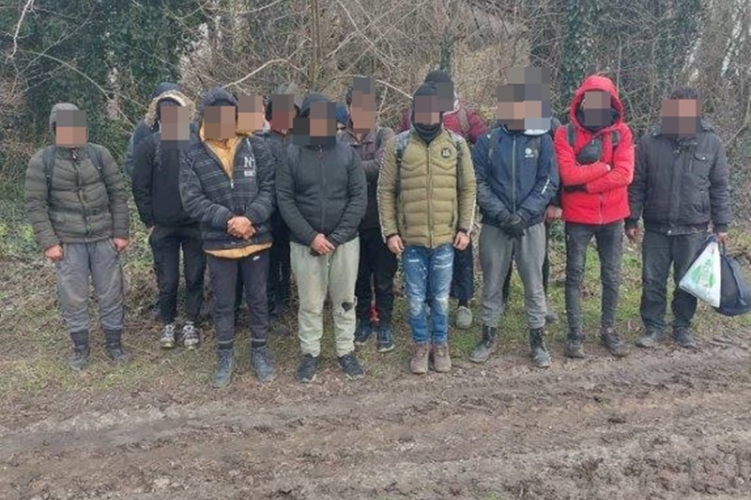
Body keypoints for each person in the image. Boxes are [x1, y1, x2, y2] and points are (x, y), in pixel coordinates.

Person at [180, 87, 277, 388]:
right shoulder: (192, 152)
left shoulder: (256, 145)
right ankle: (225, 355)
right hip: (219, 242)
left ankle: (259, 352)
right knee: (223, 303)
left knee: (258, 299)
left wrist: (250, 218)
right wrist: (227, 220)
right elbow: (192, 199)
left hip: (256, 237)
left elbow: (270, 188)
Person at [379, 82, 477, 374]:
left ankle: (440, 344)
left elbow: (468, 188)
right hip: (411, 240)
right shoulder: (398, 146)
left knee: (441, 298)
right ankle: (421, 345)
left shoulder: (456, 144)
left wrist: (464, 228)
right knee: (415, 299)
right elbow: (385, 190)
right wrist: (390, 232)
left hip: (446, 238)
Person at [25, 103, 130, 370]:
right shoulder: (42, 161)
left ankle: (114, 344)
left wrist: (120, 232)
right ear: (55, 129)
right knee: (73, 297)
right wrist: (49, 242)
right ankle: (80, 347)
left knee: (111, 293)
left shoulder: (100, 154)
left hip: (104, 238)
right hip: (68, 242)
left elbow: (118, 194)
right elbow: (36, 206)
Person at [627, 86, 731, 349]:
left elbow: (719, 186)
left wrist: (721, 224)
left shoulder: (712, 142)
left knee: (687, 281)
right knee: (653, 280)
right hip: (656, 226)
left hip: (693, 226)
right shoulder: (649, 142)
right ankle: (653, 326)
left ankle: (682, 326)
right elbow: (637, 184)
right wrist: (631, 219)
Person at [276, 93, 368, 383]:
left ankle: (346, 350)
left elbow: (359, 197)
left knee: (345, 300)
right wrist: (311, 236)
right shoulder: (291, 153)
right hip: (305, 243)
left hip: (345, 242)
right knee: (310, 302)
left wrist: (338, 237)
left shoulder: (347, 153)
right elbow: (285, 200)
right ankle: (310, 353)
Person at [469, 84, 559, 368]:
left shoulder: (542, 140)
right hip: (495, 225)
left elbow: (548, 181)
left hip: (531, 225)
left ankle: (538, 341)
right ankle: (488, 337)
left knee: (534, 284)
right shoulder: (487, 141)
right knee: (492, 284)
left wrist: (523, 214)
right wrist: (502, 214)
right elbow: (478, 182)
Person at [400, 70, 488, 330]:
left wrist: (472, 169)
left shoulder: (464, 115)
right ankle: (428, 303)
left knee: (461, 250)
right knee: (426, 252)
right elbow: (402, 145)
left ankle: (463, 302)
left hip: (454, 193)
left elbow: (485, 141)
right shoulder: (411, 114)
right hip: (423, 197)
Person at [554, 75, 634, 359]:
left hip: (613, 216)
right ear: (582, 100)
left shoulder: (622, 132)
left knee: (611, 275)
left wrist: (586, 185)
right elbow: (568, 175)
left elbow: (625, 174)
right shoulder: (565, 133)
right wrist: (603, 167)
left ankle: (609, 330)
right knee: (574, 275)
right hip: (578, 216)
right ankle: (575, 335)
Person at [132, 88, 205, 350]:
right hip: (163, 227)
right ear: (159, 117)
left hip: (195, 224)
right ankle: (168, 322)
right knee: (168, 280)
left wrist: (206, 214)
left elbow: (207, 180)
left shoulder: (196, 144)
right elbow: (140, 186)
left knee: (195, 276)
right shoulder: (148, 146)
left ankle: (192, 322)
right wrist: (149, 222)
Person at [339, 81, 397, 352]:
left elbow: (382, 167)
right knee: (358, 277)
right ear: (349, 108)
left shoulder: (386, 135)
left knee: (384, 278)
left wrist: (348, 169)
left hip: (381, 220)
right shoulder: (340, 139)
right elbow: (333, 171)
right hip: (351, 222)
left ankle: (384, 323)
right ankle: (364, 320)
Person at [501, 116, 562, 324]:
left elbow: (554, 165)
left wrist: (555, 202)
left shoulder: (550, 124)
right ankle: (501, 298)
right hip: (506, 206)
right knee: (505, 255)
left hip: (537, 206)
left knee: (539, 256)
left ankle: (539, 301)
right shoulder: (502, 122)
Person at [263, 84, 303, 334]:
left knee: (289, 258)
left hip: (296, 212)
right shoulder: (263, 142)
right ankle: (269, 307)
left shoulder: (300, 141)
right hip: (270, 213)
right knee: (270, 261)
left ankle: (286, 300)